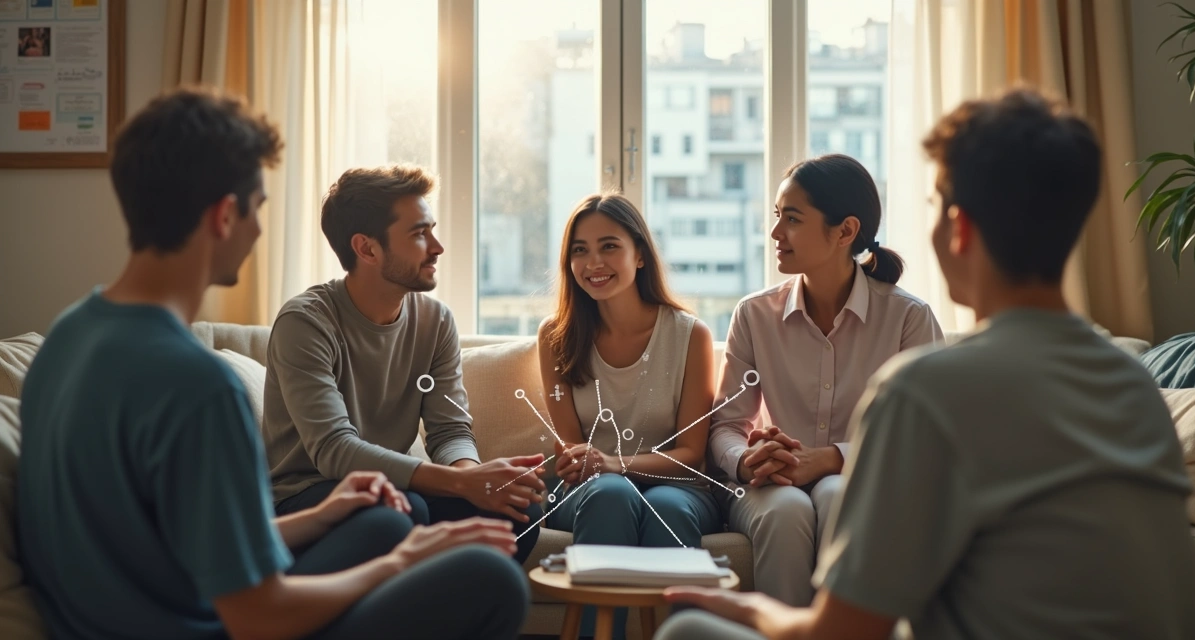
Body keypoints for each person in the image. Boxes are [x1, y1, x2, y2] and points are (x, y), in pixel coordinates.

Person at [656, 88, 1195, 640]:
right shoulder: (1134, 386)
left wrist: (749, 612)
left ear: (959, 228)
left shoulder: (923, 389)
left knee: (687, 631)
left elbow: (842, 632)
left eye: (937, 205)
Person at [16, 87, 528, 640]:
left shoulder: (67, 335)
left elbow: (174, 547)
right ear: (224, 215)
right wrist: (402, 559)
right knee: (486, 577)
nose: (259, 231)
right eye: (258, 209)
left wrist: (324, 517)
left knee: (466, 534)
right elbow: (257, 616)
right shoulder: (199, 387)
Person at [262, 164, 547, 565]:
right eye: (418, 234)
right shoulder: (306, 322)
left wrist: (478, 479)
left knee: (517, 513)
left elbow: (449, 430)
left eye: (431, 229)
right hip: (307, 497)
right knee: (403, 512)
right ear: (367, 248)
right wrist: (461, 482)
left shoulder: (436, 320)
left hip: (395, 493)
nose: (437, 246)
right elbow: (334, 451)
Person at [708, 154, 943, 606]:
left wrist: (833, 458)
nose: (775, 233)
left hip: (862, 480)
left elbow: (924, 439)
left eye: (792, 219)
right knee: (785, 509)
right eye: (777, 216)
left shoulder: (907, 318)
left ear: (845, 231)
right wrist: (747, 459)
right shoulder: (754, 315)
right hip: (770, 488)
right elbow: (725, 426)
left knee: (839, 495)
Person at [537, 192, 719, 639]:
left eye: (609, 246)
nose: (593, 262)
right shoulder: (556, 337)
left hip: (677, 486)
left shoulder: (690, 335)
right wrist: (596, 467)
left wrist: (614, 462)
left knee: (667, 508)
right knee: (612, 494)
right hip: (590, 489)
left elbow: (691, 453)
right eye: (580, 250)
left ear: (640, 254)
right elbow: (571, 448)